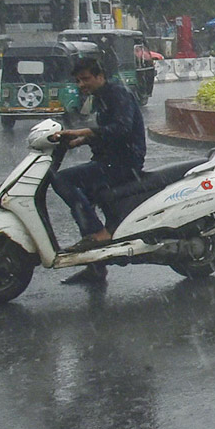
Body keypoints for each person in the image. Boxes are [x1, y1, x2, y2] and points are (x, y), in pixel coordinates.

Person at [50, 56, 146, 285]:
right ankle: (95, 267)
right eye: (78, 81)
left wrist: (85, 133)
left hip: (124, 162)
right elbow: (107, 133)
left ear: (100, 76)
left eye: (85, 79)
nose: (81, 85)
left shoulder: (117, 94)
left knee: (63, 180)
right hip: (110, 159)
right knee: (81, 203)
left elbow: (121, 129)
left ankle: (100, 236)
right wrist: (79, 141)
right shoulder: (99, 97)